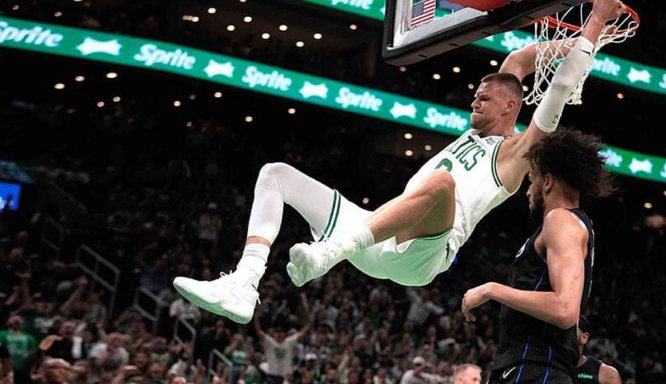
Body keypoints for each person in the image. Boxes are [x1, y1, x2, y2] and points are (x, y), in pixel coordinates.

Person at [173, 0, 627, 324]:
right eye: (475, 94)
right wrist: (584, 36)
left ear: (511, 107)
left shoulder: (517, 152)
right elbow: (521, 60)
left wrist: (596, 23)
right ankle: (244, 284)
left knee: (443, 183)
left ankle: (328, 254)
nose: (475, 98)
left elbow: (559, 90)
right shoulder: (478, 126)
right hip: (376, 235)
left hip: (423, 254)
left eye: (484, 97)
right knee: (275, 175)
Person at [460, 129, 617, 383]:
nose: (527, 191)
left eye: (531, 178)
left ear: (547, 181)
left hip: (537, 370)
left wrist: (491, 290)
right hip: (525, 369)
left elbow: (565, 309)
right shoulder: (565, 225)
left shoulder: (561, 219)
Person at [575, 316, 621, 384]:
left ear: (584, 338)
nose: (564, 336)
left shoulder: (608, 375)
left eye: (571, 331)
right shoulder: (554, 367)